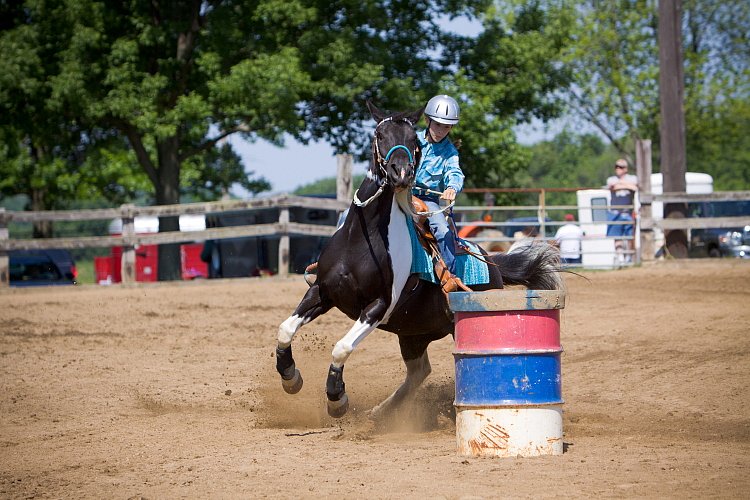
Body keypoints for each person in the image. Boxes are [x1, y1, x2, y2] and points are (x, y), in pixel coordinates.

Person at [412, 94, 464, 273]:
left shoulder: (450, 152)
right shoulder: (411, 140)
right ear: (427, 120)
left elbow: (454, 172)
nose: (441, 130)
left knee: (442, 231)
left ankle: (451, 276)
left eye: (446, 126)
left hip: (428, 201)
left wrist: (452, 187)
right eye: (437, 124)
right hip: (400, 194)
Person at [606, 158, 638, 263]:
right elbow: (613, 187)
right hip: (615, 212)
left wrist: (622, 184)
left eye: (620, 167)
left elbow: (635, 188)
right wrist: (627, 185)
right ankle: (620, 258)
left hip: (628, 212)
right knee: (617, 237)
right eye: (616, 166)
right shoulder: (611, 179)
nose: (618, 168)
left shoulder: (633, 178)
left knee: (629, 237)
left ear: (626, 169)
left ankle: (628, 258)